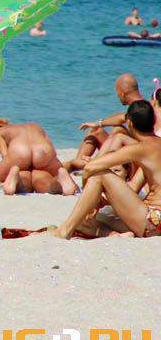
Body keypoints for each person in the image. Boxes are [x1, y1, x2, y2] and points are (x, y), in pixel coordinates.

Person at [52, 100, 161, 239]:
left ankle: (65, 231)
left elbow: (90, 168)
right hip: (152, 220)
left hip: (153, 221)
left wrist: (93, 202)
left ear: (129, 123)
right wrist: (103, 199)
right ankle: (115, 234)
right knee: (90, 220)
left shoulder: (140, 149)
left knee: (98, 175)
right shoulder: (154, 147)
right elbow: (133, 187)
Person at [0, 119, 77, 195]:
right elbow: (52, 150)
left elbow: (5, 156)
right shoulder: (34, 126)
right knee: (56, 178)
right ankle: (61, 179)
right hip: (43, 150)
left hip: (20, 152)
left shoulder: (0, 132)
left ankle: (9, 179)